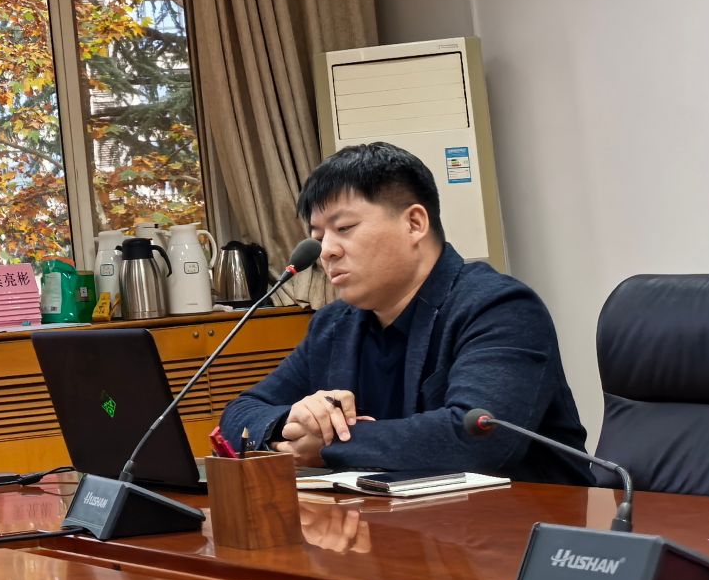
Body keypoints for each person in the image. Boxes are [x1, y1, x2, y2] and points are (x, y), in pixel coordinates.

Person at [220, 143, 590, 482]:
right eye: (318, 238)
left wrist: (328, 445)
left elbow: (479, 439)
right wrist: (292, 422)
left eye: (344, 228)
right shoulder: (333, 326)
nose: (327, 251)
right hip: (393, 525)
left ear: (414, 223)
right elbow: (240, 413)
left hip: (521, 523)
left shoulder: (499, 308)